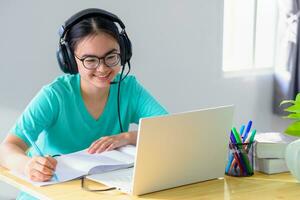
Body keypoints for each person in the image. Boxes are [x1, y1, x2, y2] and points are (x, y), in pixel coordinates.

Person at [0, 8, 167, 200]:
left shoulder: (129, 88)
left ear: (124, 52)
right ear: (70, 60)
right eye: (90, 60)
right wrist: (27, 165)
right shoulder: (55, 95)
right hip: (49, 194)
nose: (103, 68)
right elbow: (7, 148)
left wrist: (127, 137)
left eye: (111, 56)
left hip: (100, 193)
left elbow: (169, 131)